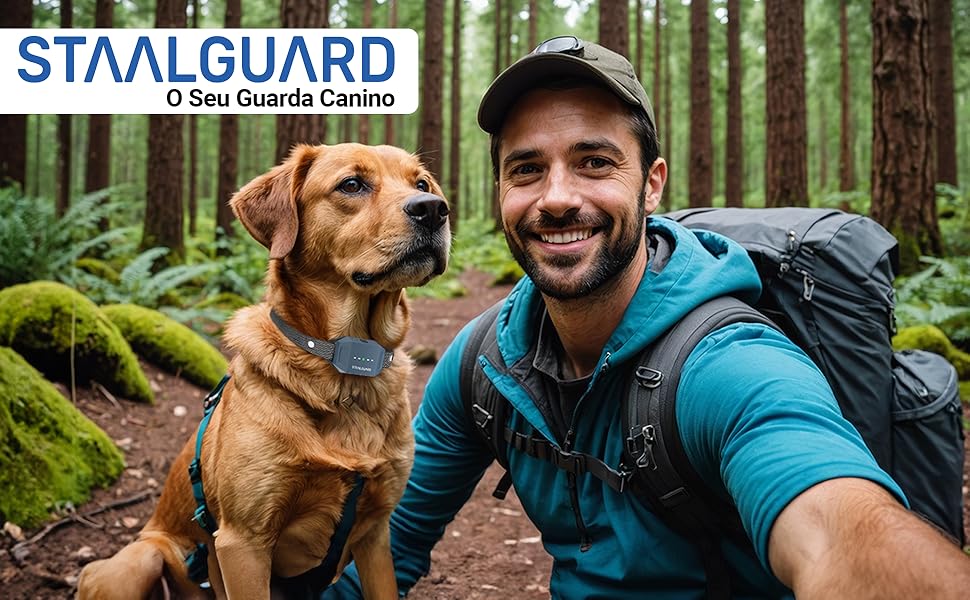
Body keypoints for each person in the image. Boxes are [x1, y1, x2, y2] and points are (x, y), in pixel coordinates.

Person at [326, 36, 970, 599]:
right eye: (526, 170)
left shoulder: (727, 363)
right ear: (500, 191)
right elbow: (393, 542)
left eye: (594, 162)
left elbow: (833, 527)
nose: (555, 198)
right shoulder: (480, 366)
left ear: (652, 183)